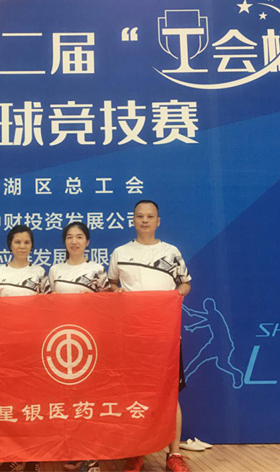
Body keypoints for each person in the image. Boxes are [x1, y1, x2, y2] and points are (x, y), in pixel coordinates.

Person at [107, 200, 192, 472]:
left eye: (150, 216)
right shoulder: (120, 253)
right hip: (132, 337)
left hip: (165, 337)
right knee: (134, 395)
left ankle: (174, 454)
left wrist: (175, 295)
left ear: (158, 221)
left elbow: (186, 284)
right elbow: (112, 284)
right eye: (140, 216)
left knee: (169, 395)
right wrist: (116, 292)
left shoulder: (171, 252)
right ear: (132, 220)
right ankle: (136, 452)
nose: (144, 220)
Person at [49, 221, 110, 472]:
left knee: (89, 399)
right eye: (70, 237)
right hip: (62, 342)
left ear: (87, 241)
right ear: (64, 242)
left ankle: (91, 456)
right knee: (66, 398)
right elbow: (47, 306)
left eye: (79, 237)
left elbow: (108, 305)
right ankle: (71, 449)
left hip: (89, 341)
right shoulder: (55, 270)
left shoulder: (96, 269)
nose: (74, 241)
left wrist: (95, 301)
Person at [0, 225, 50, 472]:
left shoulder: (39, 273)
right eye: (17, 242)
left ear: (32, 246)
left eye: (26, 242)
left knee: (33, 401)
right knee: (10, 402)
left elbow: (48, 308)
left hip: (33, 346)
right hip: (6, 347)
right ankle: (12, 454)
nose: (22, 246)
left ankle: (33, 457)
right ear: (10, 245)